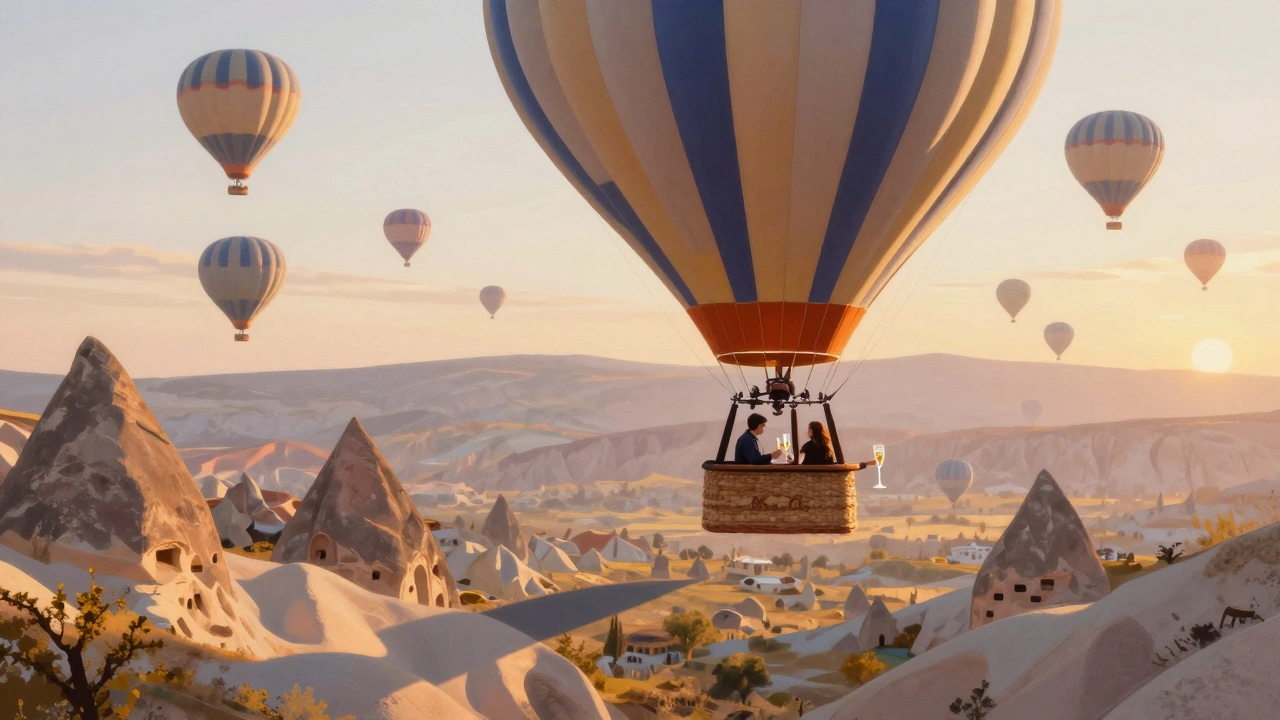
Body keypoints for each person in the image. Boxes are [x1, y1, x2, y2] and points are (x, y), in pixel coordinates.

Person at [799, 421, 878, 469]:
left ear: (811, 431)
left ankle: (866, 464)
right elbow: (828, 465)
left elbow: (800, 462)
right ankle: (866, 463)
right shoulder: (827, 448)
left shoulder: (808, 446)